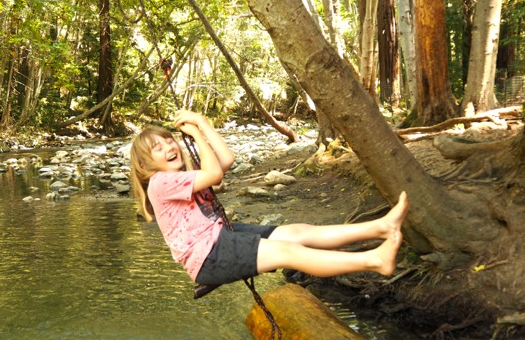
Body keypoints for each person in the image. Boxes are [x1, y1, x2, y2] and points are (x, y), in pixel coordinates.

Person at [129, 110, 408, 287]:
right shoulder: (160, 183)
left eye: (169, 140)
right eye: (158, 147)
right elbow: (214, 174)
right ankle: (374, 260)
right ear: (145, 164)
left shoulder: (181, 176)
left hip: (221, 238)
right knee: (289, 253)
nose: (169, 146)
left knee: (298, 233)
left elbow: (226, 160)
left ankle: (380, 228)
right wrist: (196, 134)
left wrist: (202, 124)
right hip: (208, 257)